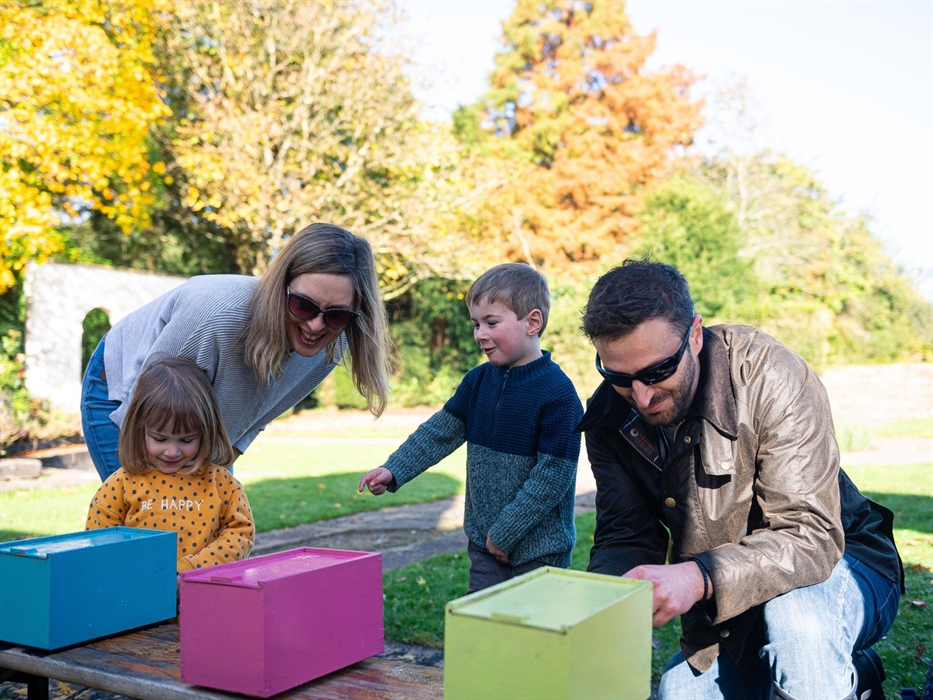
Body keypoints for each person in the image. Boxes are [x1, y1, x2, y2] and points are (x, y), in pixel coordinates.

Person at [576, 259, 903, 700]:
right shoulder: (608, 416)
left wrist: (699, 577)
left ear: (694, 336)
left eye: (657, 372)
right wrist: (604, 610)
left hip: (843, 562)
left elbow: (810, 537)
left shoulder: (772, 375)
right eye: (619, 376)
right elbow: (626, 535)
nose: (642, 396)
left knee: (799, 625)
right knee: (676, 692)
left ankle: (835, 673)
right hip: (733, 601)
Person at [81, 223, 393, 481]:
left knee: (210, 526)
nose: (315, 326)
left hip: (201, 424)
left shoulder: (333, 344)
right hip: (123, 392)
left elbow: (255, 416)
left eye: (337, 314)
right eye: (303, 305)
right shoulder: (213, 316)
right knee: (150, 522)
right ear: (280, 288)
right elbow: (144, 405)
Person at [359, 263, 583, 593]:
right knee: (480, 621)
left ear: (532, 322)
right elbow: (438, 433)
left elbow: (552, 478)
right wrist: (394, 469)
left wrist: (505, 533)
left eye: (491, 323)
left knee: (533, 625)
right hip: (484, 548)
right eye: (476, 324)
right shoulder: (477, 382)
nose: (480, 334)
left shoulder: (558, 394)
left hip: (539, 554)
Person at [86, 356, 254, 572]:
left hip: (201, 588)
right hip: (139, 588)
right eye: (160, 438)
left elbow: (240, 532)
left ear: (205, 433)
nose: (172, 451)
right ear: (139, 429)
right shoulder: (120, 485)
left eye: (186, 440)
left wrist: (193, 568)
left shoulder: (222, 484)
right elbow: (98, 542)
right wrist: (138, 573)